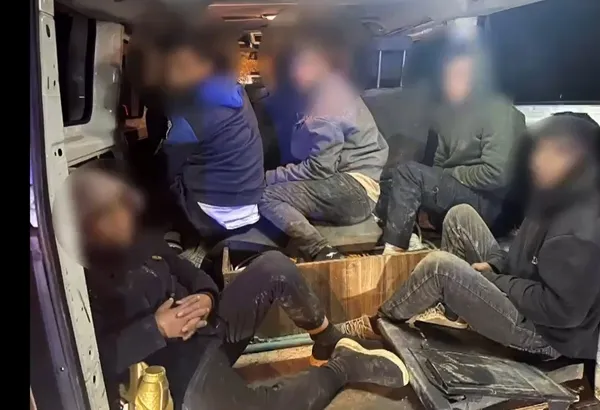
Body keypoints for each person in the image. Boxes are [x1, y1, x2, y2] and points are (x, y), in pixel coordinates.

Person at [69, 167, 411, 410]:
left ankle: (329, 340)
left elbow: (185, 269)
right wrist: (156, 328)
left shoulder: (139, 243)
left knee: (274, 267)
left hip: (208, 328)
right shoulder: (75, 285)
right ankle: (343, 367)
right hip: (177, 369)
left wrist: (206, 296)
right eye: (109, 212)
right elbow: (91, 360)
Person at [339, 113, 600, 361]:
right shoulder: (556, 195)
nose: (537, 159)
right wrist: (496, 266)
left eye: (553, 151)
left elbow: (560, 312)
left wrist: (495, 280)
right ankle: (451, 312)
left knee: (440, 268)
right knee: (460, 215)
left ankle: (378, 325)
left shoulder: (581, 230)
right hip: (522, 290)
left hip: (546, 336)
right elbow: (530, 262)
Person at [130, 10, 265, 246]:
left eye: (179, 66)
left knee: (151, 176)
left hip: (215, 217)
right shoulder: (233, 90)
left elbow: (170, 166)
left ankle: (173, 239)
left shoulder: (194, 116)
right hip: (249, 203)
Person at [259, 24, 389, 262]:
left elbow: (320, 167)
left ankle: (322, 252)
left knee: (266, 196)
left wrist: (269, 177)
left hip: (354, 191)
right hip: (351, 183)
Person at [382, 43, 526, 253]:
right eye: (448, 76)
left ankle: (395, 251)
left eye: (460, 76)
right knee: (393, 178)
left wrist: (451, 175)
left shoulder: (499, 112)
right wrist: (436, 186)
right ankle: (403, 236)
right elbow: (438, 165)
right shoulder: (450, 116)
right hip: (461, 191)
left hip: (494, 207)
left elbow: (498, 174)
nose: (450, 82)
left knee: (409, 173)